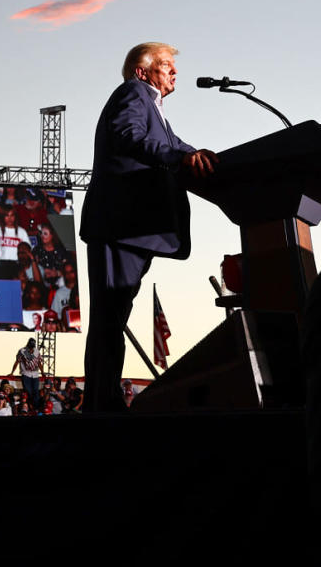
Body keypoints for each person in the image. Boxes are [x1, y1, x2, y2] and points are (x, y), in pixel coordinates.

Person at [80, 42, 217, 412]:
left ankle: (102, 403)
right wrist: (183, 157)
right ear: (143, 72)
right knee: (109, 319)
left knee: (114, 316)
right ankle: (99, 408)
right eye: (166, 65)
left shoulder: (154, 109)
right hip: (119, 224)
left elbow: (172, 145)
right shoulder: (133, 92)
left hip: (133, 228)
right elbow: (129, 136)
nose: (175, 72)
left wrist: (210, 160)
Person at [0, 207, 30, 279]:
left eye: (12, 215)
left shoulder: (21, 232)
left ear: (15, 217)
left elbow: (27, 250)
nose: (9, 218)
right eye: (7, 215)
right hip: (2, 264)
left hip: (17, 264)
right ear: (3, 217)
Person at [11, 338, 43, 409]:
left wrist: (43, 373)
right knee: (28, 391)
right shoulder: (22, 351)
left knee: (36, 392)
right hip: (26, 374)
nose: (31, 348)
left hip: (35, 375)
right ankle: (29, 406)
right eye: (30, 346)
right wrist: (12, 372)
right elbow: (17, 362)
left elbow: (39, 363)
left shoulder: (36, 351)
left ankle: (35, 408)